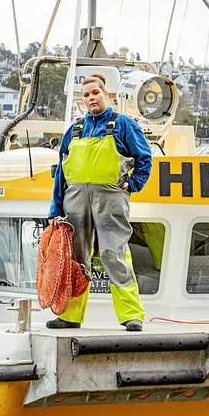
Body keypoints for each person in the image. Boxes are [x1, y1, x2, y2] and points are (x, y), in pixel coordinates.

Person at [46, 74, 152, 332]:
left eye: (96, 93)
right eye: (86, 95)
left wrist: (133, 183)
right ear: (82, 101)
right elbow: (61, 172)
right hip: (74, 199)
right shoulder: (75, 130)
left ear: (106, 95)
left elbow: (145, 158)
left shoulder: (123, 124)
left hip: (111, 198)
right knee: (76, 257)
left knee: (113, 253)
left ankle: (131, 314)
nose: (91, 97)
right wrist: (55, 209)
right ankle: (70, 316)